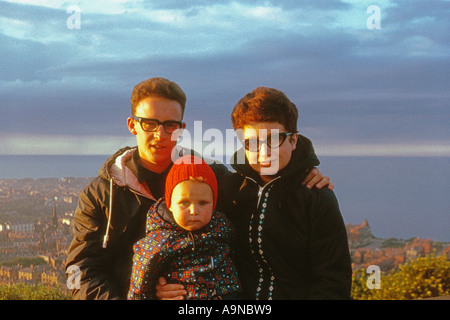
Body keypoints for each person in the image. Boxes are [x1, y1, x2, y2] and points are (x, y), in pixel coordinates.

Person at [65, 77, 331, 300]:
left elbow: (261, 188)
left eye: (171, 125)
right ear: (133, 125)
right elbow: (80, 271)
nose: (161, 135)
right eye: (150, 124)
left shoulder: (206, 176)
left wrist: (302, 169)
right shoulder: (102, 194)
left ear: (181, 129)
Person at [157, 87, 352, 300]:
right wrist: (163, 283)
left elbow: (333, 280)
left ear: (293, 140)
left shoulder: (315, 196)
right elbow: (176, 171)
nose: (264, 152)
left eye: (274, 139)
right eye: (252, 143)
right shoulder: (227, 188)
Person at [128, 155, 240, 300]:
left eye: (203, 203)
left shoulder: (222, 227)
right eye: (184, 202)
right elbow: (140, 280)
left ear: (214, 204)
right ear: (170, 205)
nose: (194, 210)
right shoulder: (159, 240)